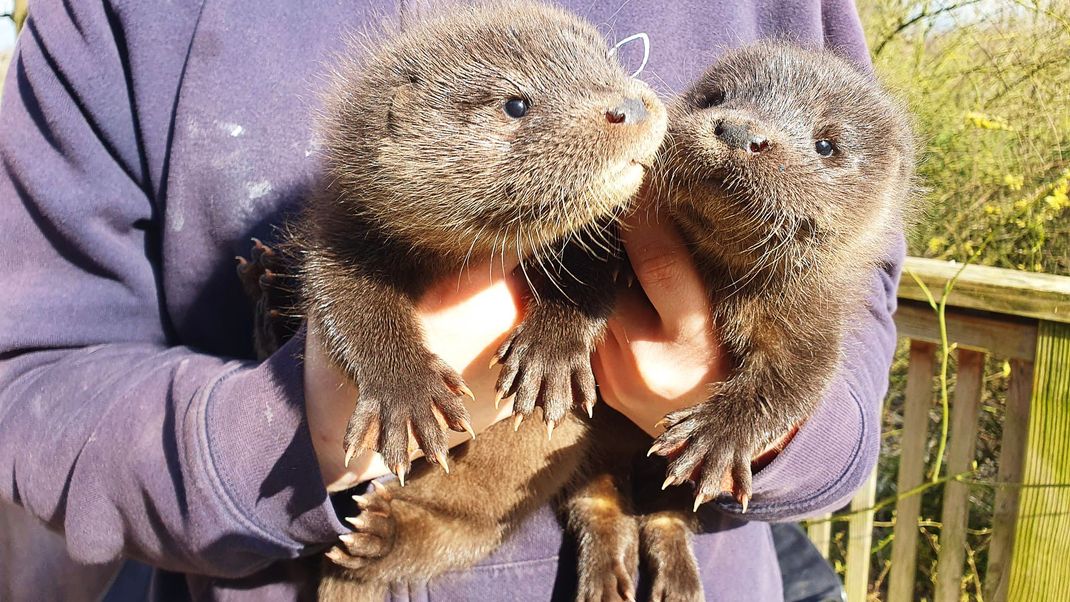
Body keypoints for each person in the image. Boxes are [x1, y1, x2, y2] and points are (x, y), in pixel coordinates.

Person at [0, 1, 900, 600]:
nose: (633, 109)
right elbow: (32, 381)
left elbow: (859, 270)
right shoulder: (122, 25)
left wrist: (764, 426)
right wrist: (297, 430)